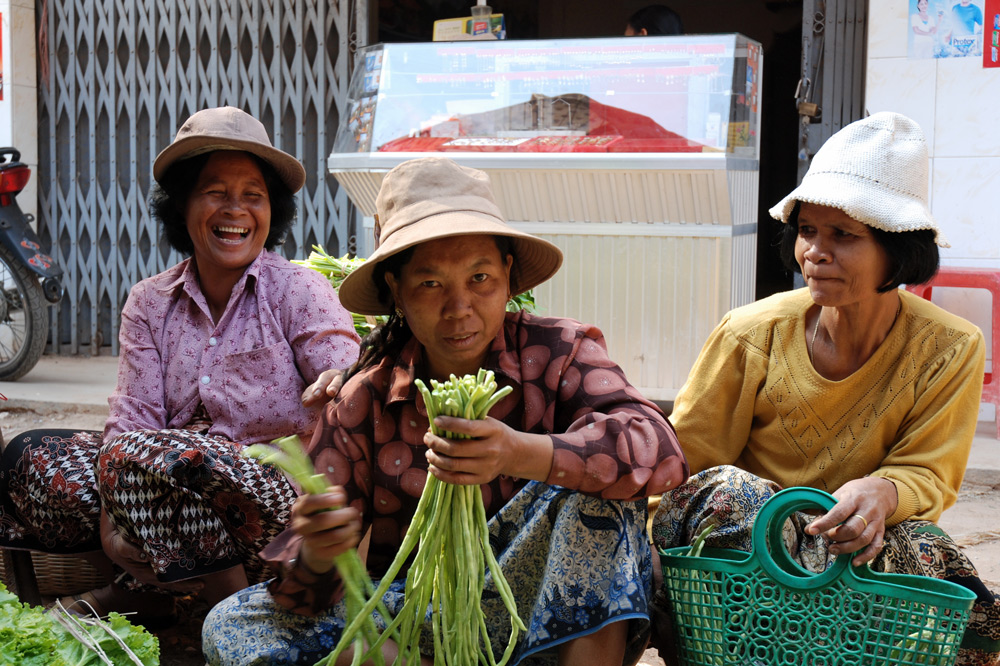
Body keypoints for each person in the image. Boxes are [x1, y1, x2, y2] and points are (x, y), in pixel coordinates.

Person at [201, 156, 689, 666]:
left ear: (507, 273)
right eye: (431, 284)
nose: (459, 307)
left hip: (546, 609)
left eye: (479, 278)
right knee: (235, 626)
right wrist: (320, 554)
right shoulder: (363, 400)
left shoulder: (560, 353)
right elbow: (302, 593)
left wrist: (521, 453)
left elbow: (660, 450)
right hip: (418, 617)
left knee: (602, 495)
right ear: (396, 290)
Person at [649, 112, 1000, 666]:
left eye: (844, 235)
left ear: (898, 250)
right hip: (743, 561)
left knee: (931, 553)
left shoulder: (950, 347)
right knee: (736, 492)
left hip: (855, 556)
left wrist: (883, 493)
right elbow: (684, 467)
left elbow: (929, 471)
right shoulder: (751, 334)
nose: (815, 250)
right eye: (808, 230)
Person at [0, 106, 360, 622]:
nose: (235, 210)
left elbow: (346, 373)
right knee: (34, 457)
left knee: (185, 459)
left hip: (271, 499)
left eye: (252, 195)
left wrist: (340, 379)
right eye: (215, 192)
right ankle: (159, 582)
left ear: (271, 210)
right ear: (184, 205)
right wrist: (112, 524)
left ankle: (226, 611)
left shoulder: (297, 289)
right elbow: (133, 420)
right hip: (157, 483)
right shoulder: (150, 301)